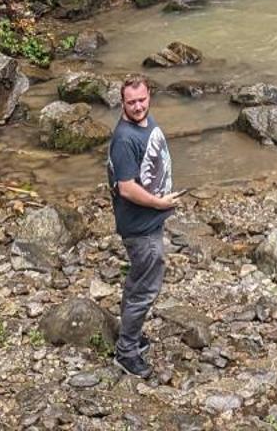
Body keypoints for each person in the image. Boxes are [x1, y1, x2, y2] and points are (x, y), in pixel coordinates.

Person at [106, 73, 181, 378]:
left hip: (150, 220)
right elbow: (126, 187)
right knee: (144, 290)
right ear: (122, 102)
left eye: (142, 100)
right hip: (140, 227)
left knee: (138, 283)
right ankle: (126, 352)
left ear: (149, 95)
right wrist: (160, 203)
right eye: (131, 102)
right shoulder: (124, 139)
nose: (138, 107)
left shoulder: (144, 123)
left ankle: (130, 335)